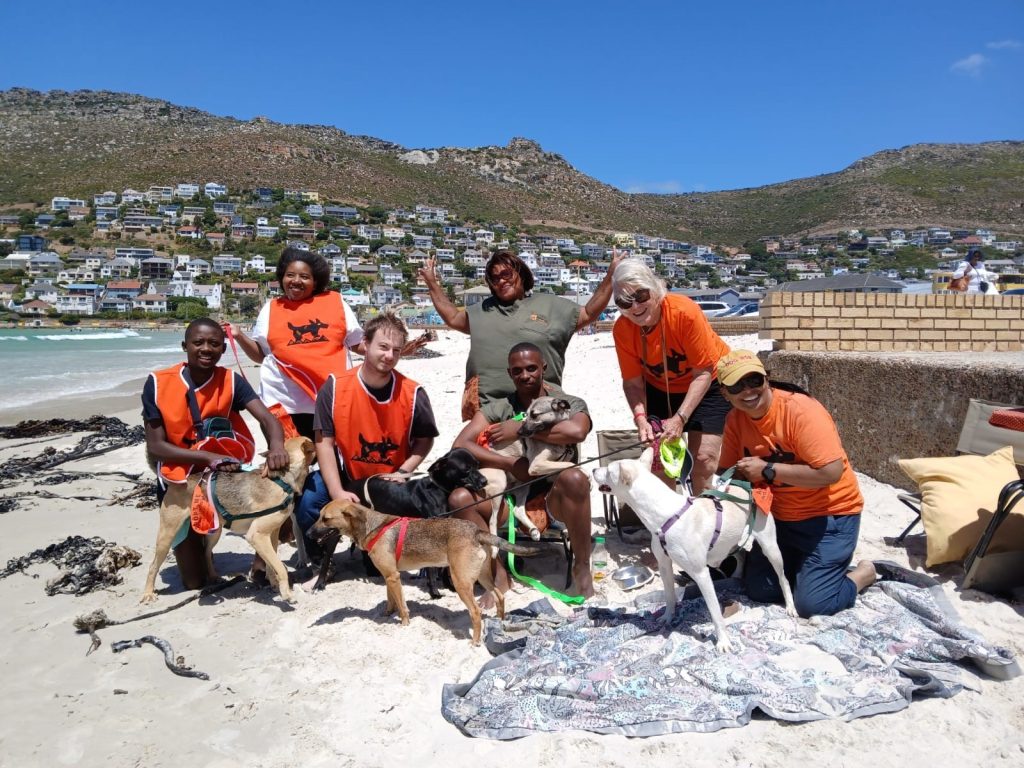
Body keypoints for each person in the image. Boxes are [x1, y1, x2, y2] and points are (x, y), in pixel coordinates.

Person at [715, 349, 876, 618]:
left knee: (813, 606)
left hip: (830, 517)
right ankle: (809, 571)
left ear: (766, 379)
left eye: (754, 380)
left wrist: (767, 470)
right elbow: (727, 473)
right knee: (760, 590)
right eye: (737, 386)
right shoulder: (735, 420)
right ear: (725, 393)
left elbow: (830, 472)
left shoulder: (800, 411)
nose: (748, 391)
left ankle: (862, 574)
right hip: (779, 520)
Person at [142, 317, 289, 589]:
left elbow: (268, 420)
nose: (206, 349)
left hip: (224, 477)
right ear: (184, 345)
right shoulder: (158, 383)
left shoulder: (231, 381)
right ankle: (199, 548)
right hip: (180, 479)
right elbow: (156, 446)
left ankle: (261, 565)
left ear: (223, 349)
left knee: (284, 499)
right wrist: (207, 458)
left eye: (214, 344)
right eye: (198, 342)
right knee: (195, 581)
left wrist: (277, 447)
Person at [451, 342, 595, 601]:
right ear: (510, 373)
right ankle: (498, 573)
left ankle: (582, 566)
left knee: (575, 477)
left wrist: (518, 429)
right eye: (517, 371)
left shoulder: (568, 402)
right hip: (509, 493)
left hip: (554, 499)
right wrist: (510, 464)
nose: (525, 375)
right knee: (459, 498)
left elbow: (578, 432)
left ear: (544, 368)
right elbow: (461, 444)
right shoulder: (500, 407)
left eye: (531, 368)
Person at [294, 311, 439, 561]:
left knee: (377, 566)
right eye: (383, 347)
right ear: (366, 343)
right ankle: (320, 561)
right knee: (308, 501)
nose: (389, 355)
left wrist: (404, 472)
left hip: (389, 483)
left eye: (396, 349)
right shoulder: (335, 386)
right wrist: (337, 491)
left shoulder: (413, 392)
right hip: (348, 474)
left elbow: (425, 439)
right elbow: (324, 443)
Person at [418, 249, 622, 419]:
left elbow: (588, 313)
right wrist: (432, 283)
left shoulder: (550, 305)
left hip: (541, 407)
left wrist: (611, 274)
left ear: (521, 274)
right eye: (494, 278)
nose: (501, 281)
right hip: (487, 408)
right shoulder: (481, 310)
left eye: (506, 274)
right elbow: (453, 317)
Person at [611, 259, 731, 493]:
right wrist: (641, 419)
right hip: (658, 387)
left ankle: (703, 518)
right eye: (624, 302)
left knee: (703, 459)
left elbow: (703, 372)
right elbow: (633, 382)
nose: (634, 307)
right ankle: (669, 522)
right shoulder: (623, 329)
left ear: (654, 289)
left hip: (708, 383)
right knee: (659, 460)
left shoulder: (683, 312)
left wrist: (680, 418)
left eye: (641, 296)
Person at [226, 247, 365, 441]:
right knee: (288, 463)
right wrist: (239, 336)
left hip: (329, 397)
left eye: (304, 276)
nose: (296, 281)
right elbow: (261, 354)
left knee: (331, 459)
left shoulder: (336, 302)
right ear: (282, 278)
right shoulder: (271, 308)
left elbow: (357, 344)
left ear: (315, 281)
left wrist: (389, 350)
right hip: (282, 400)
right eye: (290, 275)